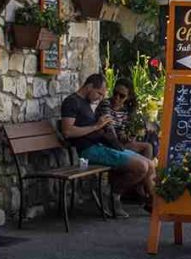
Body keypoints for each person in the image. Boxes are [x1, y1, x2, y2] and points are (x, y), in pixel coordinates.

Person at [59, 73, 154, 211]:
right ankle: (114, 196)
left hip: (101, 145)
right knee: (142, 167)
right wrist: (96, 126)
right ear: (90, 86)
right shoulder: (71, 102)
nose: (101, 98)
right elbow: (67, 131)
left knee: (150, 164)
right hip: (89, 150)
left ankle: (154, 203)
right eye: (99, 93)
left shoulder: (85, 103)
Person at [102, 78, 154, 161]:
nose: (117, 97)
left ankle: (146, 172)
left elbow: (120, 133)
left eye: (122, 96)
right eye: (115, 93)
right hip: (106, 143)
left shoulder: (125, 111)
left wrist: (128, 138)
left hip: (118, 144)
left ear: (128, 97)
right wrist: (119, 144)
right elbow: (109, 128)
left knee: (148, 147)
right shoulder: (106, 104)